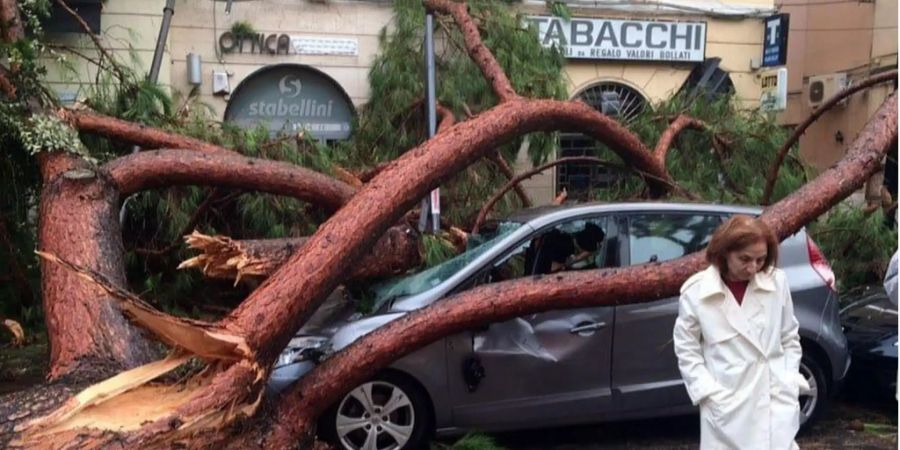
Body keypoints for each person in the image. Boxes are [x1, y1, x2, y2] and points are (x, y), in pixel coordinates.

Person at [673, 215, 807, 450]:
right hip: (727, 406)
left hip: (774, 399)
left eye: (760, 259)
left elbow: (789, 337)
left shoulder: (777, 283)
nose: (753, 267)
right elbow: (686, 349)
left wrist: (788, 379)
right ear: (724, 252)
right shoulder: (696, 292)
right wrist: (708, 392)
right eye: (745, 259)